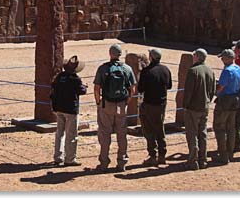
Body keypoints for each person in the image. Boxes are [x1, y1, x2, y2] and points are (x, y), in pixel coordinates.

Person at [93, 44, 136, 172]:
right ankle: (122, 162)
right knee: (122, 134)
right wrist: (127, 101)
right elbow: (132, 88)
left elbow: (96, 88)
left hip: (106, 104)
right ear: (120, 54)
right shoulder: (127, 68)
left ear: (110, 54)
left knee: (105, 134)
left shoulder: (103, 68)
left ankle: (104, 163)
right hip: (121, 105)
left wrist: (98, 101)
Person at [137, 48, 172, 166]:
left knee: (148, 129)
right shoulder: (166, 70)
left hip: (149, 104)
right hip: (161, 104)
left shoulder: (146, 71)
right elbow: (169, 86)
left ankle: (153, 154)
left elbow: (140, 89)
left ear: (151, 57)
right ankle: (162, 154)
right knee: (160, 128)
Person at [51, 55, 87, 166]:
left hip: (59, 108)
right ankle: (70, 158)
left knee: (59, 133)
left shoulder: (59, 76)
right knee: (71, 134)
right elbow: (82, 91)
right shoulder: (75, 79)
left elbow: (53, 87)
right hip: (70, 109)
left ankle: (58, 156)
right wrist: (85, 87)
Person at [183, 48, 216, 170]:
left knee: (192, 134)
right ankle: (203, 159)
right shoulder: (210, 71)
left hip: (193, 107)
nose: (193, 57)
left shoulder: (193, 71)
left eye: (194, 55)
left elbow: (188, 92)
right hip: (205, 107)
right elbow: (212, 91)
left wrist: (185, 106)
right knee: (202, 133)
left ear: (197, 57)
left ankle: (193, 160)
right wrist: (208, 101)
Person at [212, 49, 240, 165]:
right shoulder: (238, 69)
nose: (222, 60)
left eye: (224, 58)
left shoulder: (227, 71)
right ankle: (230, 153)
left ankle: (223, 155)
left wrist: (215, 92)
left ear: (230, 58)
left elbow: (221, 87)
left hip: (225, 100)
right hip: (236, 99)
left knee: (219, 127)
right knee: (231, 127)